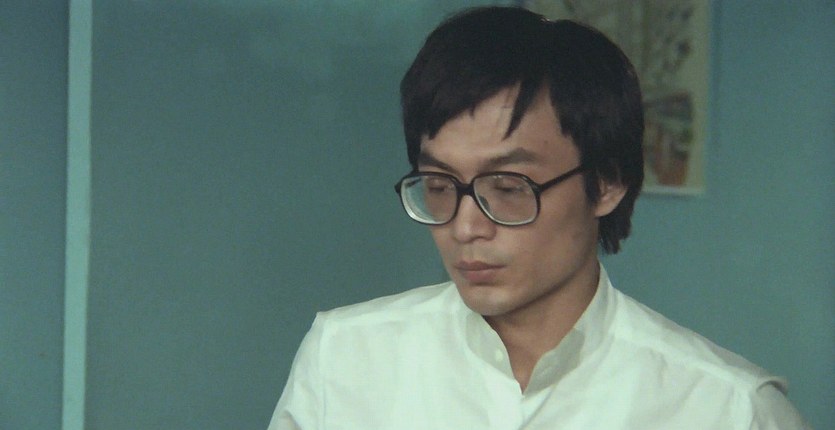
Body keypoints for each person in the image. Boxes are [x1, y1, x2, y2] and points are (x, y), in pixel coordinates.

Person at [268, 6, 809, 429]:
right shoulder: (344, 358)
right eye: (439, 186)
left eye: (507, 188)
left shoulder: (727, 408)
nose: (464, 227)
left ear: (607, 183)